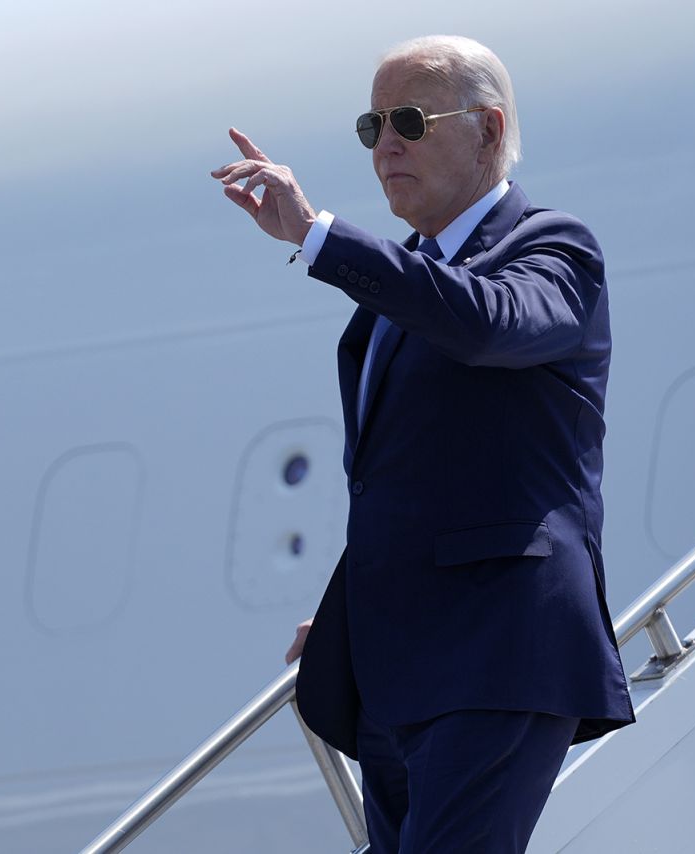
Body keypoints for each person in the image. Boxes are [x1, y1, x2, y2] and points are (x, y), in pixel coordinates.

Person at [212, 34, 634, 854]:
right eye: (373, 127)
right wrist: (358, 599)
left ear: (487, 129)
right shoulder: (405, 282)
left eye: (409, 118)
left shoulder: (553, 248)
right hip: (400, 667)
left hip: (500, 654)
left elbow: (485, 323)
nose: (388, 143)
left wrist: (320, 236)